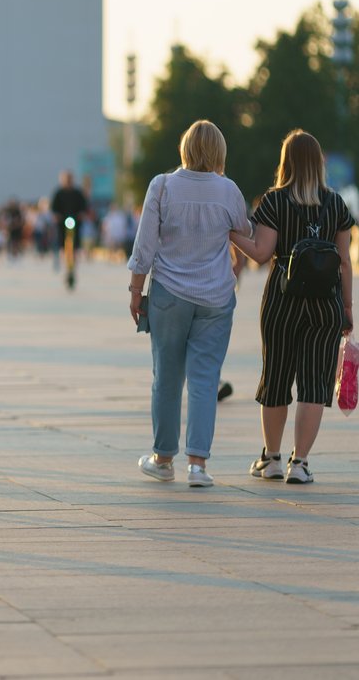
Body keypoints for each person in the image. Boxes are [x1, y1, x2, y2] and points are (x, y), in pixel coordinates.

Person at [127, 120, 251, 488]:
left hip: (169, 293)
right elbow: (243, 234)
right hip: (216, 297)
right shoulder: (229, 190)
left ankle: (163, 459)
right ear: (219, 152)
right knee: (205, 379)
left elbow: (144, 245)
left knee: (166, 378)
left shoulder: (162, 185)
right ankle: (198, 465)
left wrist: (136, 290)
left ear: (185, 148)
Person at [229, 129, 354, 484]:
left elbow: (261, 253)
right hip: (326, 304)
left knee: (276, 378)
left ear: (287, 162)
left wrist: (231, 233)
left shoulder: (275, 201)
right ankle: (299, 463)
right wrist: (347, 308)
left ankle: (271, 459)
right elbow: (345, 262)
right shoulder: (337, 204)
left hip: (283, 301)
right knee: (314, 385)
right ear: (318, 163)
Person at [51, 170, 89, 268]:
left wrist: (81, 214)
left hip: (75, 221)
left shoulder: (77, 193)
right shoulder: (58, 193)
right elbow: (54, 208)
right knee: (61, 242)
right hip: (62, 223)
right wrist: (56, 216)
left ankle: (74, 264)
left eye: (69, 179)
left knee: (76, 243)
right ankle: (64, 262)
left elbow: (83, 206)